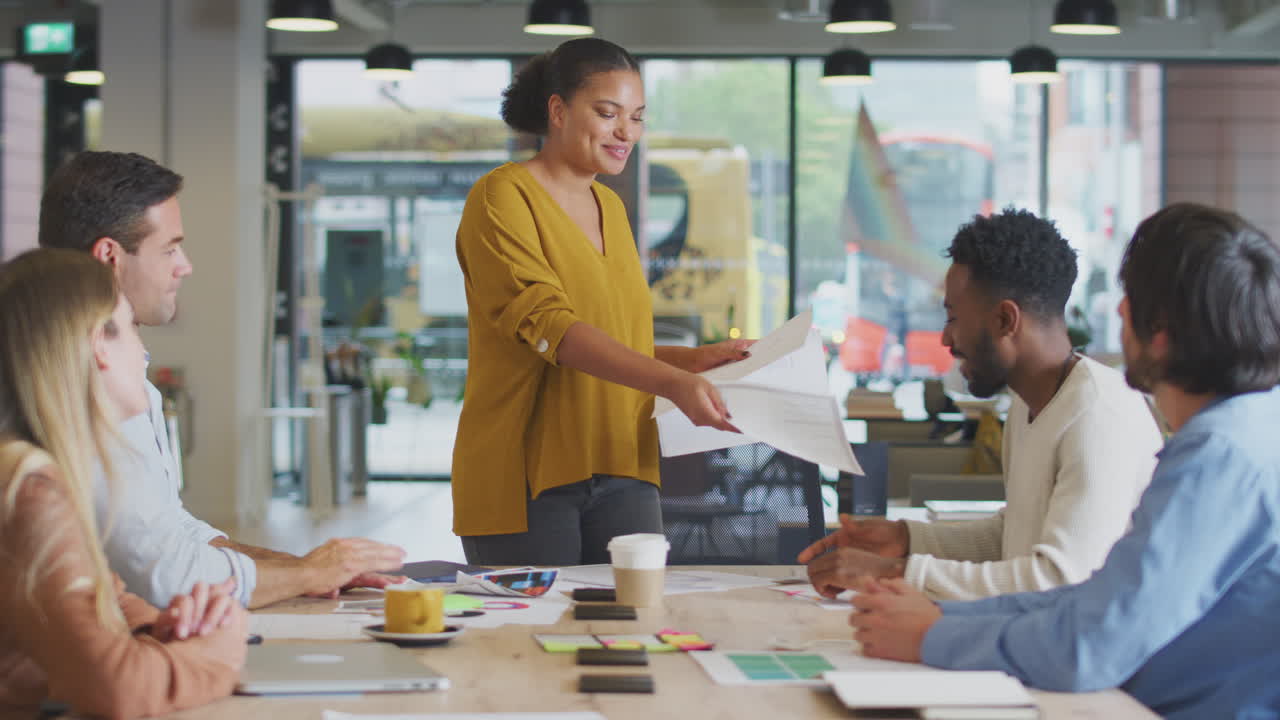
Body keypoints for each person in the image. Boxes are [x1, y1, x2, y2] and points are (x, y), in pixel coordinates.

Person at [848, 203, 1280, 719]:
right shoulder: (1247, 431)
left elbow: (1088, 645)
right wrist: (937, 614)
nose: (1116, 315)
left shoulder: (1217, 456)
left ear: (1159, 332)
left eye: (1128, 304)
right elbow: (1094, 600)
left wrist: (934, 634)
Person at [38, 150, 406, 609]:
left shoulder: (118, 374)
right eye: (169, 249)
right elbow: (165, 575)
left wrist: (300, 571)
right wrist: (308, 572)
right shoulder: (78, 386)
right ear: (110, 256)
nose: (184, 265)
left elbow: (173, 530)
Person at [453, 38, 751, 565]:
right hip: (528, 472)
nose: (626, 133)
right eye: (608, 113)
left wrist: (689, 360)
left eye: (636, 117)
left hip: (623, 459)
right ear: (558, 110)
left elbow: (609, 336)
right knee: (532, 637)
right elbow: (552, 328)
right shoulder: (501, 197)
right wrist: (674, 382)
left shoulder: (609, 206)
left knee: (633, 626)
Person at [799, 209, 1163, 601]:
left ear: (1006, 320)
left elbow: (1060, 581)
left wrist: (896, 572)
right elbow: (1015, 537)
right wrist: (907, 539)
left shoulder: (1097, 415)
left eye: (954, 318)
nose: (945, 339)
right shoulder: (1031, 404)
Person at [0, 248, 247, 718]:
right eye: (131, 326)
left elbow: (102, 596)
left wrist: (164, 628)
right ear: (98, 344)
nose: (144, 350)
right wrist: (218, 654)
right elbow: (118, 690)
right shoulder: (28, 489)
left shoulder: (30, 471)